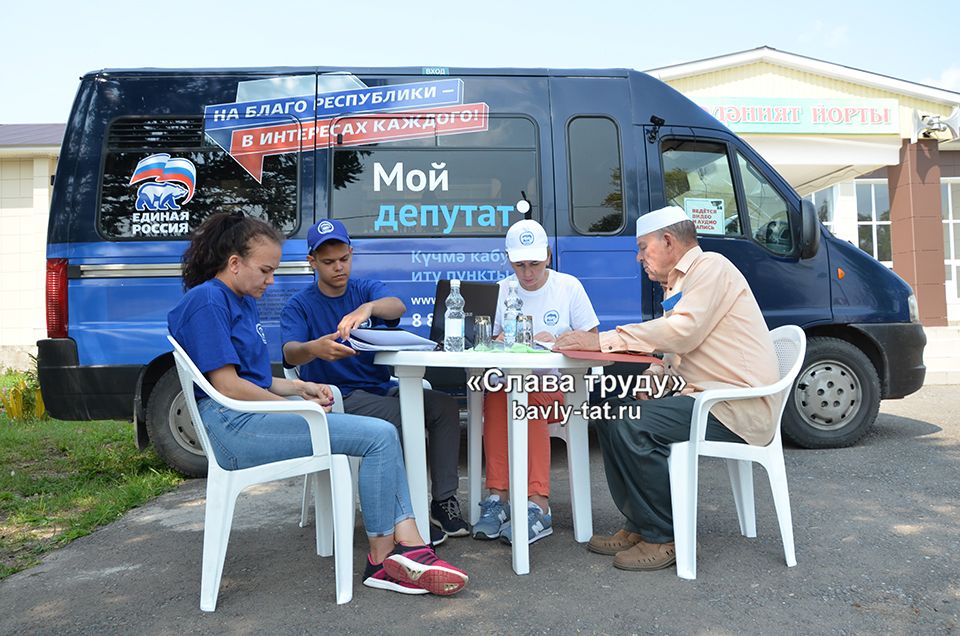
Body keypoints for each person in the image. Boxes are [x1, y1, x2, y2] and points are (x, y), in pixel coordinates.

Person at [167, 211, 468, 596]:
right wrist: (296, 408)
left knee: (381, 433)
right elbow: (228, 386)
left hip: (246, 419)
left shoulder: (236, 298)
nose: (271, 280)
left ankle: (400, 549)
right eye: (265, 270)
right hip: (234, 429)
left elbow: (251, 380)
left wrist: (299, 389)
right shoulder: (208, 300)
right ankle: (390, 554)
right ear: (234, 263)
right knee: (378, 436)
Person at [554, 205, 779, 572]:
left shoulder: (711, 268)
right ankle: (639, 524)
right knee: (611, 411)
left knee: (632, 422)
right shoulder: (680, 283)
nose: (639, 257)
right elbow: (680, 349)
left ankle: (665, 536)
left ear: (669, 241)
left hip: (736, 407)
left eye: (643, 248)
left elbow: (683, 331)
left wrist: (602, 340)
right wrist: (655, 375)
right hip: (706, 398)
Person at [280, 219, 470, 544]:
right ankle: (407, 516)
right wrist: (316, 349)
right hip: (341, 399)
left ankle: (442, 502)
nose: (338, 268)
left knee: (443, 406)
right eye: (328, 262)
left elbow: (397, 306)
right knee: (406, 417)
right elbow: (290, 353)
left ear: (351, 253)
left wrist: (366, 309)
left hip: (383, 390)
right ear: (311, 261)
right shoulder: (300, 305)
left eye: (344, 259)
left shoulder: (364, 289)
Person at [474, 219, 599, 545]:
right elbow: (485, 345)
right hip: (509, 386)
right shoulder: (501, 291)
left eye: (534, 263)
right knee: (499, 394)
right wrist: (497, 339)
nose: (527, 272)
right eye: (519, 264)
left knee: (523, 395)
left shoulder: (568, 286)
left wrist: (558, 337)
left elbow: (594, 338)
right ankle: (498, 498)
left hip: (556, 389)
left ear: (548, 254)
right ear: (508, 259)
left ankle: (537, 504)